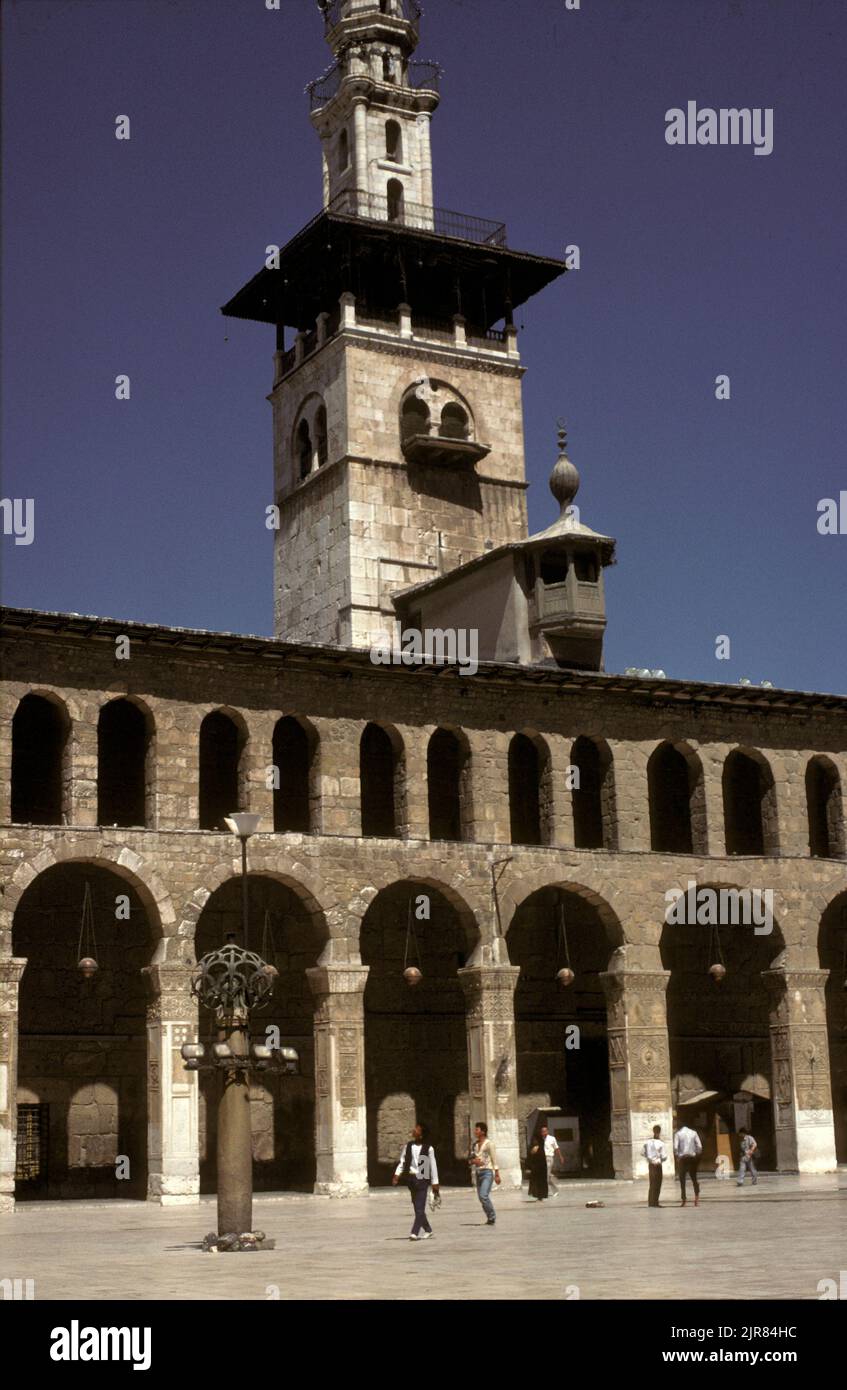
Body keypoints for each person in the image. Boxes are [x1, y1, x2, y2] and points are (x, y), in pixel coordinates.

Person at [392, 1122, 440, 1240]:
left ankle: (414, 1232)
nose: (414, 1130)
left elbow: (433, 1166)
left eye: (417, 1130)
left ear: (421, 1135)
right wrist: (397, 1175)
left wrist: (435, 1183)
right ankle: (428, 1229)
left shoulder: (428, 1149)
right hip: (411, 1179)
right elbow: (403, 1161)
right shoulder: (408, 1146)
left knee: (420, 1208)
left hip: (422, 1179)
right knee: (417, 1207)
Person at [470, 1121, 500, 1225]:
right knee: (481, 1198)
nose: (475, 1131)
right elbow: (470, 1159)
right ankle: (490, 1218)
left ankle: (492, 1216)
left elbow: (494, 1159)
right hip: (478, 1173)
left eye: (477, 1129)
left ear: (483, 1131)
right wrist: (474, 1161)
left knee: (483, 1195)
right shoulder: (475, 1145)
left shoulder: (489, 1144)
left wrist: (497, 1174)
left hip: (487, 1172)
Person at [673, 1120, 702, 1207]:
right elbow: (700, 1146)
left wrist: (677, 1156)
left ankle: (684, 1200)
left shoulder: (678, 1134)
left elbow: (675, 1147)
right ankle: (696, 1199)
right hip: (692, 1158)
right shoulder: (694, 1132)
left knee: (682, 1180)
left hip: (683, 1159)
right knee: (694, 1179)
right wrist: (697, 1154)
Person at [642, 1123, 667, 1207]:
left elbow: (642, 1153)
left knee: (652, 1183)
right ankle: (655, 1202)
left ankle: (650, 1202)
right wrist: (658, 1159)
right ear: (659, 1132)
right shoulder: (661, 1143)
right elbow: (664, 1156)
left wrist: (649, 1158)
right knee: (658, 1183)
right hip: (658, 1165)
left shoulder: (647, 1142)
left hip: (651, 1165)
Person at [541, 1124, 564, 1196]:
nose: (544, 1132)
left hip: (549, 1158)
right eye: (542, 1131)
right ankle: (552, 1188)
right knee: (544, 1176)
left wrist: (561, 1157)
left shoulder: (552, 1138)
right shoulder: (540, 1139)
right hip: (542, 1159)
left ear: (547, 1131)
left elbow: (556, 1148)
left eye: (545, 1131)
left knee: (546, 1176)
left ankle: (554, 1190)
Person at [527, 1126, 548, 1202]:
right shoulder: (537, 1142)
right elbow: (532, 1152)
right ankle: (539, 1195)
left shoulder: (541, 1141)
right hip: (538, 1165)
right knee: (538, 1180)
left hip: (541, 1164)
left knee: (540, 1180)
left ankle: (540, 1195)